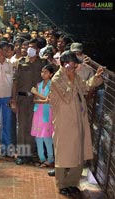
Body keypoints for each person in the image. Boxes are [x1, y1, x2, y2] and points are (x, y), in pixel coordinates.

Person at [49, 51, 104, 196]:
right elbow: (67, 97)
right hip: (64, 121)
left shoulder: (73, 75)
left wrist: (97, 77)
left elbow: (85, 86)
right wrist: (71, 79)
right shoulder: (57, 79)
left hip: (78, 119)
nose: (76, 67)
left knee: (78, 152)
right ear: (66, 63)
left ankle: (72, 182)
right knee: (64, 153)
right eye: (74, 64)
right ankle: (62, 184)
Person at [30, 65, 54, 168]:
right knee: (37, 136)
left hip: (47, 113)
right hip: (38, 112)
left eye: (46, 72)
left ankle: (50, 158)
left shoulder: (52, 85)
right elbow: (36, 100)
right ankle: (42, 158)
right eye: (42, 72)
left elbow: (48, 100)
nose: (43, 74)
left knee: (46, 137)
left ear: (51, 74)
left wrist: (36, 93)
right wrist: (42, 100)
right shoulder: (39, 84)